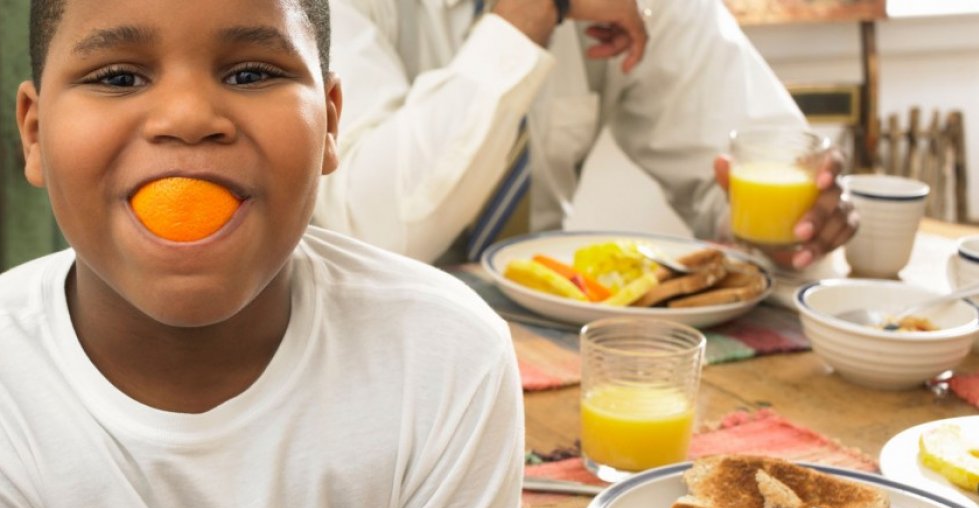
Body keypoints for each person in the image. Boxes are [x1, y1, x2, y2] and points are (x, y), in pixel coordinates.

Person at [0, 0, 525, 508]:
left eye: (250, 72)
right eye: (119, 76)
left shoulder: (448, 358)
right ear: (35, 133)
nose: (186, 116)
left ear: (329, 122)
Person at [315, 0, 856, 269]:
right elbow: (370, 233)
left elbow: (754, 152)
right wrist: (528, 14)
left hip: (553, 343)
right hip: (363, 349)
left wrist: (790, 229)